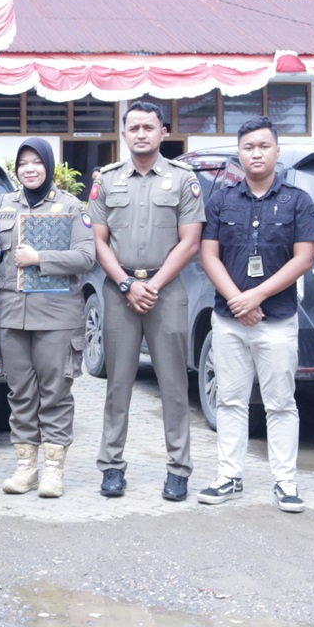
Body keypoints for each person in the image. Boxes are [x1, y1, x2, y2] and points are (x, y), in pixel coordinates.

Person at [196, 118, 314, 513]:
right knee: (230, 401)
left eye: (264, 146)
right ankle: (229, 476)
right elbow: (208, 255)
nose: (256, 153)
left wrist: (257, 296)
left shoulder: (298, 201)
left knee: (281, 403)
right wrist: (237, 299)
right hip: (229, 321)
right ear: (239, 152)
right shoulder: (221, 200)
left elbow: (304, 257)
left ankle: (285, 482)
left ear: (277, 151)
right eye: (248, 147)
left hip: (278, 319)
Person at [88, 101, 204, 500]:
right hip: (120, 292)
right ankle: (112, 467)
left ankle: (178, 469)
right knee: (117, 383)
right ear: (123, 133)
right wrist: (125, 284)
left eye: (148, 127)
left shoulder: (182, 179)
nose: (141, 133)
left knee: (174, 384)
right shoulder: (106, 180)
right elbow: (98, 241)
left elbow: (190, 241)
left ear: (163, 133)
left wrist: (154, 285)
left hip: (166, 291)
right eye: (133, 127)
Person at [0, 138, 95, 500]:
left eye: (36, 162)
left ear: (49, 166)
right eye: (23, 163)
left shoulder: (70, 207)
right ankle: (25, 467)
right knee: (20, 393)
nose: (30, 169)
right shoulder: (2, 207)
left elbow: (86, 257)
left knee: (55, 392)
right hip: (11, 316)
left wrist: (39, 258)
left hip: (57, 315)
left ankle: (53, 470)